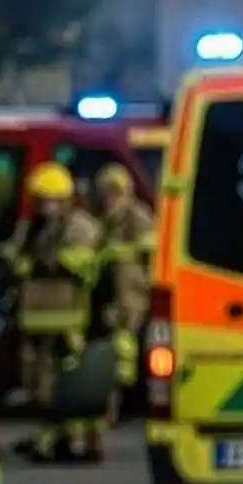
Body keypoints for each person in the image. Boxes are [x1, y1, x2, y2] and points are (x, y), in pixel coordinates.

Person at [3, 162, 103, 462]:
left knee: (72, 384)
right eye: (40, 200)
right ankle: (53, 439)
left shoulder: (81, 226)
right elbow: (14, 254)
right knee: (39, 383)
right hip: (33, 320)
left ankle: (79, 442)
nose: (44, 207)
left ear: (65, 198)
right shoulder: (33, 227)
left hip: (69, 321)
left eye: (50, 200)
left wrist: (38, 263)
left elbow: (81, 264)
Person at [78, 162, 154, 464]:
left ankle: (121, 407)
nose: (110, 199)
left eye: (115, 193)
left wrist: (116, 253)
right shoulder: (103, 221)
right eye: (105, 194)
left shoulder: (138, 218)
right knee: (111, 357)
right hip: (109, 300)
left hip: (132, 300)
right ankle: (112, 408)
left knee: (122, 355)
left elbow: (148, 252)